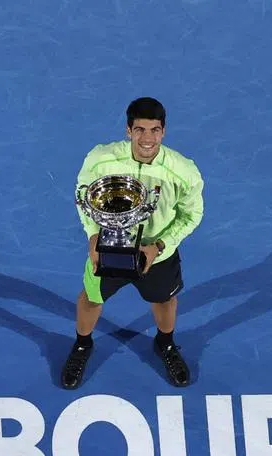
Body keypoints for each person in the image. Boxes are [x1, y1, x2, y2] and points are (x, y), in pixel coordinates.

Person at [61, 97, 204, 390]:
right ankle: (82, 344)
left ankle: (165, 343)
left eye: (154, 130)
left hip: (158, 253)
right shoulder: (101, 159)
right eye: (139, 130)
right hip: (109, 246)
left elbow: (192, 215)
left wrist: (159, 246)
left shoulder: (183, 171)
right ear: (128, 130)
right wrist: (93, 235)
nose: (147, 139)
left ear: (164, 131)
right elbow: (83, 195)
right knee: (91, 298)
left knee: (164, 300)